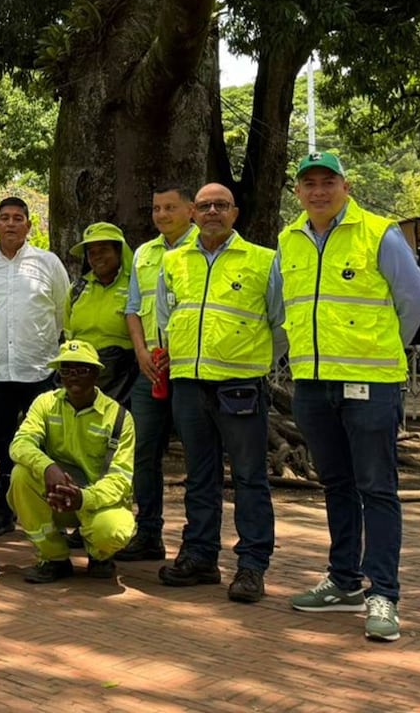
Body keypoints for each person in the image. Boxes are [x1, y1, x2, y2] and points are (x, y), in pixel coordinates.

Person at [277, 152, 420, 642]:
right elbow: (286, 306)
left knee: (377, 488)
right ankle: (343, 582)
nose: (318, 191)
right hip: (313, 386)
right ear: (297, 192)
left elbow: (413, 302)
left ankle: (383, 592)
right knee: (336, 485)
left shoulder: (378, 232)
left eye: (327, 182)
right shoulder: (289, 239)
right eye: (308, 184)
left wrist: (381, 353)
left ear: (345, 185)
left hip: (371, 383)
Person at [155, 183, 282, 604]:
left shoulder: (264, 261)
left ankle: (251, 565)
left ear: (235, 213)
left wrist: (252, 356)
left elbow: (280, 325)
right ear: (193, 212)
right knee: (200, 476)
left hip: (241, 384)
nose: (212, 212)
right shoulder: (173, 262)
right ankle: (200, 555)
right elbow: (164, 318)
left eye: (221, 206)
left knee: (249, 477)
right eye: (205, 205)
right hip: (189, 384)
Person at [0, 196, 70, 534]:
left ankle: (51, 510)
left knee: (47, 444)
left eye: (18, 218)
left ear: (28, 224)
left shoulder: (48, 262)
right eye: (5, 218)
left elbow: (61, 312)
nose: (11, 223)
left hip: (38, 369)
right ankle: (1, 511)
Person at [115, 184, 198, 563]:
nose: (161, 215)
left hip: (194, 369)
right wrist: (141, 352)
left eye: (170, 208)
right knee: (142, 452)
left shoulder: (204, 247)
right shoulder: (144, 254)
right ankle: (148, 532)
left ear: (191, 210)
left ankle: (197, 543)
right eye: (156, 208)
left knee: (199, 457)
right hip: (151, 369)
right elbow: (133, 308)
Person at [9, 340, 136, 583]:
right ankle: (53, 557)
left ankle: (100, 555)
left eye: (81, 370)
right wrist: (47, 467)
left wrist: (84, 498)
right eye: (66, 370)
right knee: (20, 475)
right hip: (56, 495)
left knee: (113, 531)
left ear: (97, 373)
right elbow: (20, 444)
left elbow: (121, 479)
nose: (73, 377)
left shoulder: (120, 418)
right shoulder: (45, 403)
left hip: (97, 499)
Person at [64, 222, 139, 406]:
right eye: (92, 252)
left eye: (103, 250)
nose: (97, 257)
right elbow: (66, 330)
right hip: (81, 374)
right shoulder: (77, 289)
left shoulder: (134, 287)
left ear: (118, 251)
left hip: (122, 378)